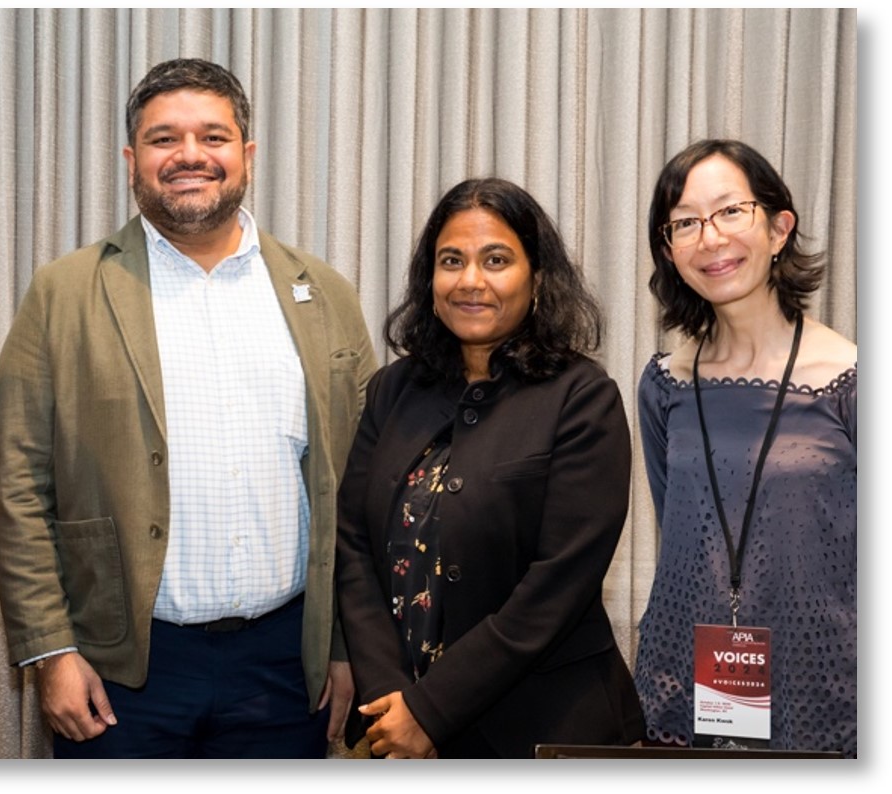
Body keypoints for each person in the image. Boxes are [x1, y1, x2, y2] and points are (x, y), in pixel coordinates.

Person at [0, 58, 377, 759]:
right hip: (122, 672)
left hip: (288, 667)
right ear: (133, 160)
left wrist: (348, 644)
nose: (191, 155)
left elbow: (363, 486)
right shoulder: (65, 293)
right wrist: (50, 650)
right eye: (165, 139)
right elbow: (14, 487)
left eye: (213, 137)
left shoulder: (326, 293)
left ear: (246, 155)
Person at [335, 177, 645, 758]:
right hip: (397, 724)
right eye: (451, 261)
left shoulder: (583, 397)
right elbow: (353, 546)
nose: (471, 280)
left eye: (496, 259)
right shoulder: (392, 389)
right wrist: (388, 700)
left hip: (544, 729)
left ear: (537, 277)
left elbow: (559, 584)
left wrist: (429, 712)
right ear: (430, 281)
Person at [634, 139, 857, 757]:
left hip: (827, 689)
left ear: (779, 228)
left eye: (731, 211)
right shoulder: (662, 382)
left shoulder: (853, 378)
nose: (709, 238)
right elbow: (676, 523)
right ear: (669, 249)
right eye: (685, 222)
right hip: (685, 679)